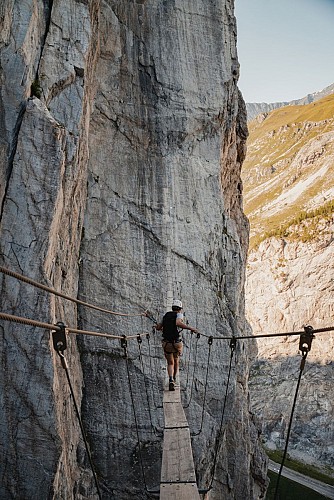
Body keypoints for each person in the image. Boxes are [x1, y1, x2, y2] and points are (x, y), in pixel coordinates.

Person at [155, 299, 197, 391]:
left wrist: (157, 326)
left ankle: (170, 380)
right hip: (177, 343)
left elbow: (158, 328)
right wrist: (190, 328)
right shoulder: (179, 314)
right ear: (180, 309)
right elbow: (178, 323)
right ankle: (174, 378)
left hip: (167, 344)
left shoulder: (165, 315)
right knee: (176, 360)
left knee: (170, 362)